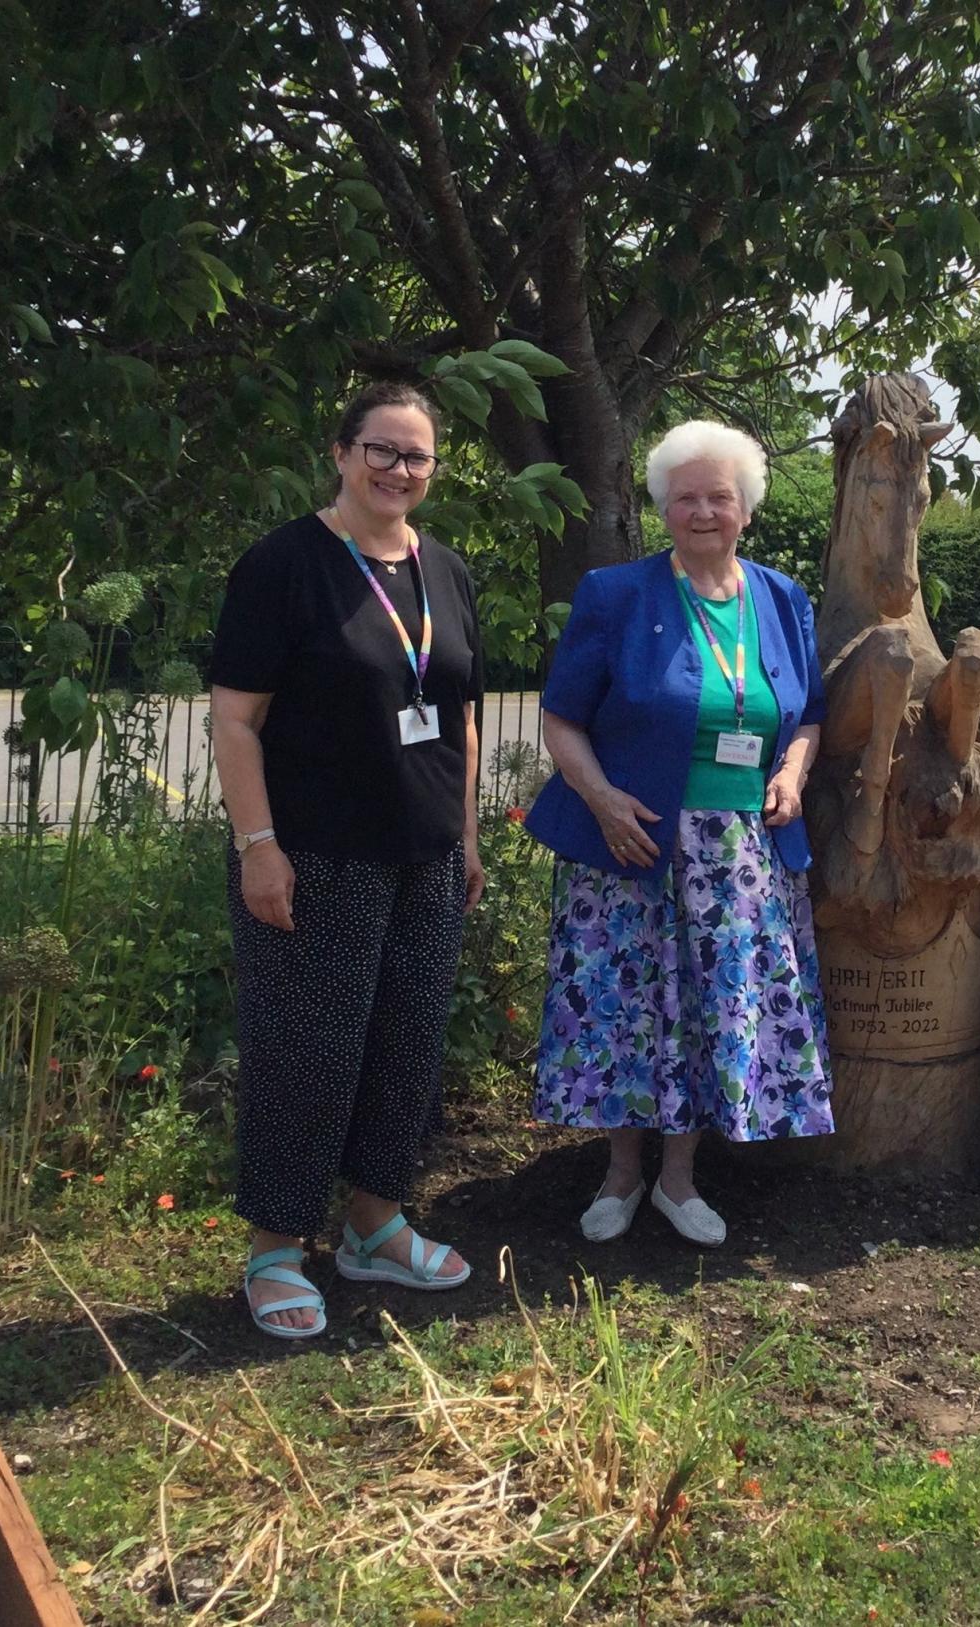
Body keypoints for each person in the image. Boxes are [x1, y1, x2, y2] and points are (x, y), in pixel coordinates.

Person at [209, 380, 485, 1339]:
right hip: (314, 857)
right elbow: (236, 720)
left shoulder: (445, 570)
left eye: (417, 457)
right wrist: (259, 847)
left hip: (425, 858)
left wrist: (469, 835)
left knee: (404, 1047)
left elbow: (462, 710)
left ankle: (374, 1222)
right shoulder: (284, 566)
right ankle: (276, 1248)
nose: (400, 470)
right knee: (304, 1052)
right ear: (340, 452)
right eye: (383, 450)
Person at [525, 420, 832, 1249]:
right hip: (635, 844)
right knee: (629, 1009)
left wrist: (791, 774)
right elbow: (561, 717)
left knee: (708, 1010)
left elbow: (805, 714)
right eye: (685, 496)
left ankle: (678, 1179)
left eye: (719, 497)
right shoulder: (616, 594)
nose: (703, 511)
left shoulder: (781, 598)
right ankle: (621, 1173)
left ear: (746, 508)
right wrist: (601, 800)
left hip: (738, 857)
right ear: (662, 508)